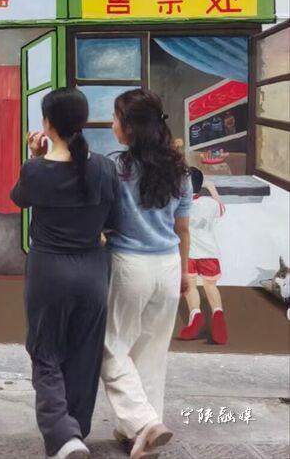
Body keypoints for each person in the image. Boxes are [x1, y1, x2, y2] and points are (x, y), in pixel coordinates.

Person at [10, 89, 120, 459]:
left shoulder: (36, 170)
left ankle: (62, 434)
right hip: (93, 271)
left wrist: (33, 157)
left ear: (47, 124)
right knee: (85, 356)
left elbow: (18, 197)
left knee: (46, 353)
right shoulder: (105, 167)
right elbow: (115, 222)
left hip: (49, 271)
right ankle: (76, 432)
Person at [100, 89, 192, 459]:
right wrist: (185, 271)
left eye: (116, 118)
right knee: (151, 352)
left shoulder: (116, 168)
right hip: (168, 264)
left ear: (131, 128)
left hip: (129, 264)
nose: (112, 125)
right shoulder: (179, 170)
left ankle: (143, 422)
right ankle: (138, 435)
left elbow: (103, 218)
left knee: (111, 347)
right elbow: (183, 228)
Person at [178, 167, 228, 344]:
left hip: (188, 253)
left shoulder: (179, 204)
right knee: (210, 286)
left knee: (190, 287)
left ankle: (195, 315)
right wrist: (212, 188)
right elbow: (222, 209)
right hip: (209, 253)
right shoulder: (210, 203)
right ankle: (218, 314)